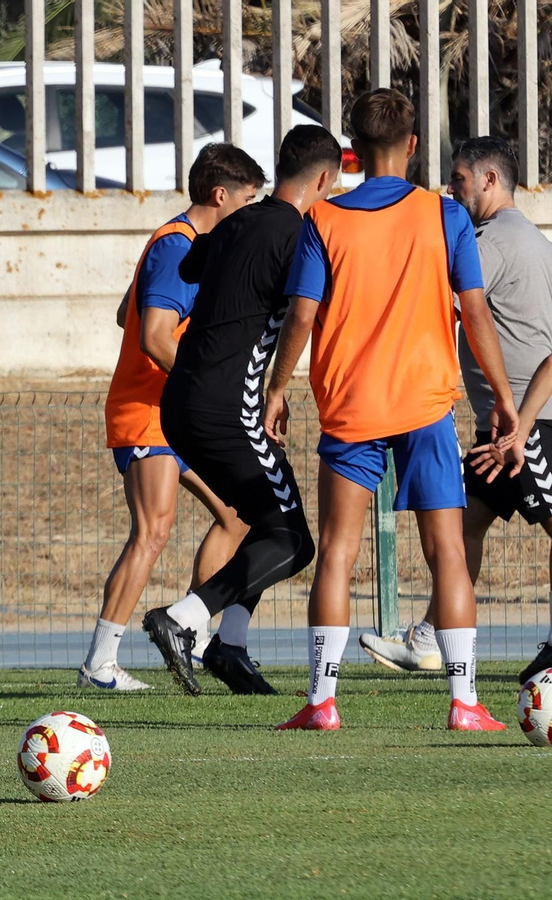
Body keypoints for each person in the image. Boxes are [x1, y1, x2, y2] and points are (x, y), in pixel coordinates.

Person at [266, 89, 518, 732]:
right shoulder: (445, 217)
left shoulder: (324, 220)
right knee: (449, 555)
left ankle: (322, 702)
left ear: (352, 149)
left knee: (338, 554)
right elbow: (476, 310)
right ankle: (464, 704)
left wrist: (275, 388)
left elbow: (302, 315)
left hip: (351, 405)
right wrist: (505, 395)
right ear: (412, 145)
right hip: (426, 404)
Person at [147, 126, 344, 695]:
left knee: (265, 523)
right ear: (325, 179)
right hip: (227, 406)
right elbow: (309, 313)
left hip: (181, 397)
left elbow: (191, 269)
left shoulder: (233, 222)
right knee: (293, 540)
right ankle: (185, 621)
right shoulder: (302, 235)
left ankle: (231, 648)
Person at [357, 136, 552, 686]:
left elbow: (441, 300)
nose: (450, 188)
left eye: (460, 180)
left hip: (530, 426)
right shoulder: (530, 238)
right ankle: (428, 639)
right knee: (463, 526)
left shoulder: (490, 240)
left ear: (489, 181)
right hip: (506, 423)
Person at [89, 143, 262, 691]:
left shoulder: (187, 246)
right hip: (146, 414)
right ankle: (99, 663)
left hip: (174, 413)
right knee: (152, 531)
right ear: (220, 195)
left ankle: (192, 628)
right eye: (249, 199)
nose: (253, 210)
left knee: (238, 515)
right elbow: (152, 335)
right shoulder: (177, 246)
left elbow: (127, 312)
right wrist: (202, 384)